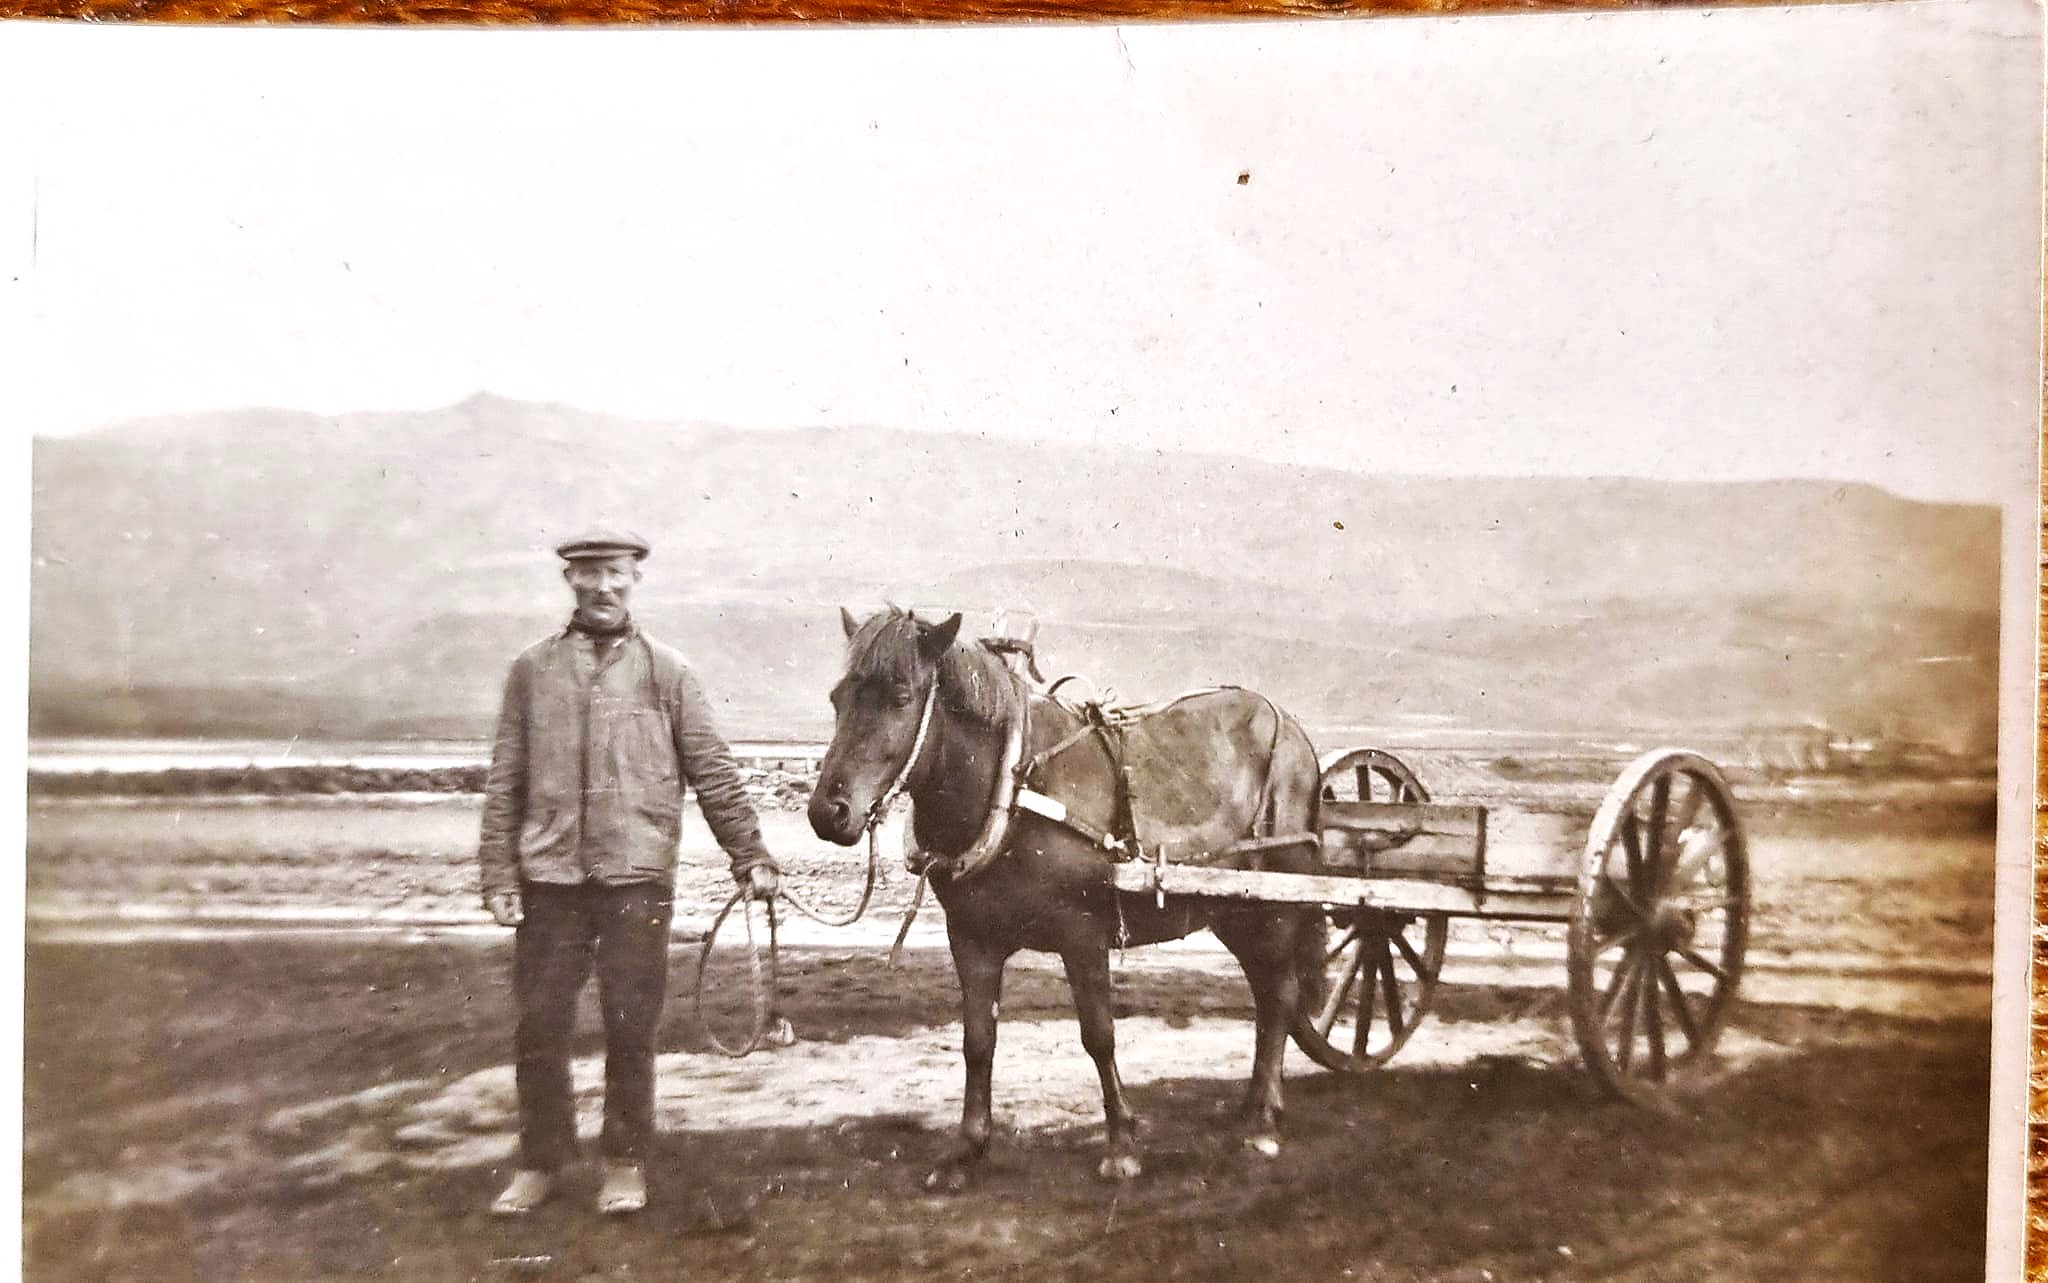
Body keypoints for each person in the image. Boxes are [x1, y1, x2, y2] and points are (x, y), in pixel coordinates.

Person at [477, 527, 780, 1217]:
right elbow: (506, 778)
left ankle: (625, 1161)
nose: (603, 586)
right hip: (549, 880)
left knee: (630, 1026)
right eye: (589, 573)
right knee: (539, 1025)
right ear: (571, 580)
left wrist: (751, 853)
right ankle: (541, 1162)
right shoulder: (531, 670)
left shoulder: (669, 671)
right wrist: (498, 874)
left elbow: (713, 772)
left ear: (635, 577)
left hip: (637, 880)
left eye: (615, 572)